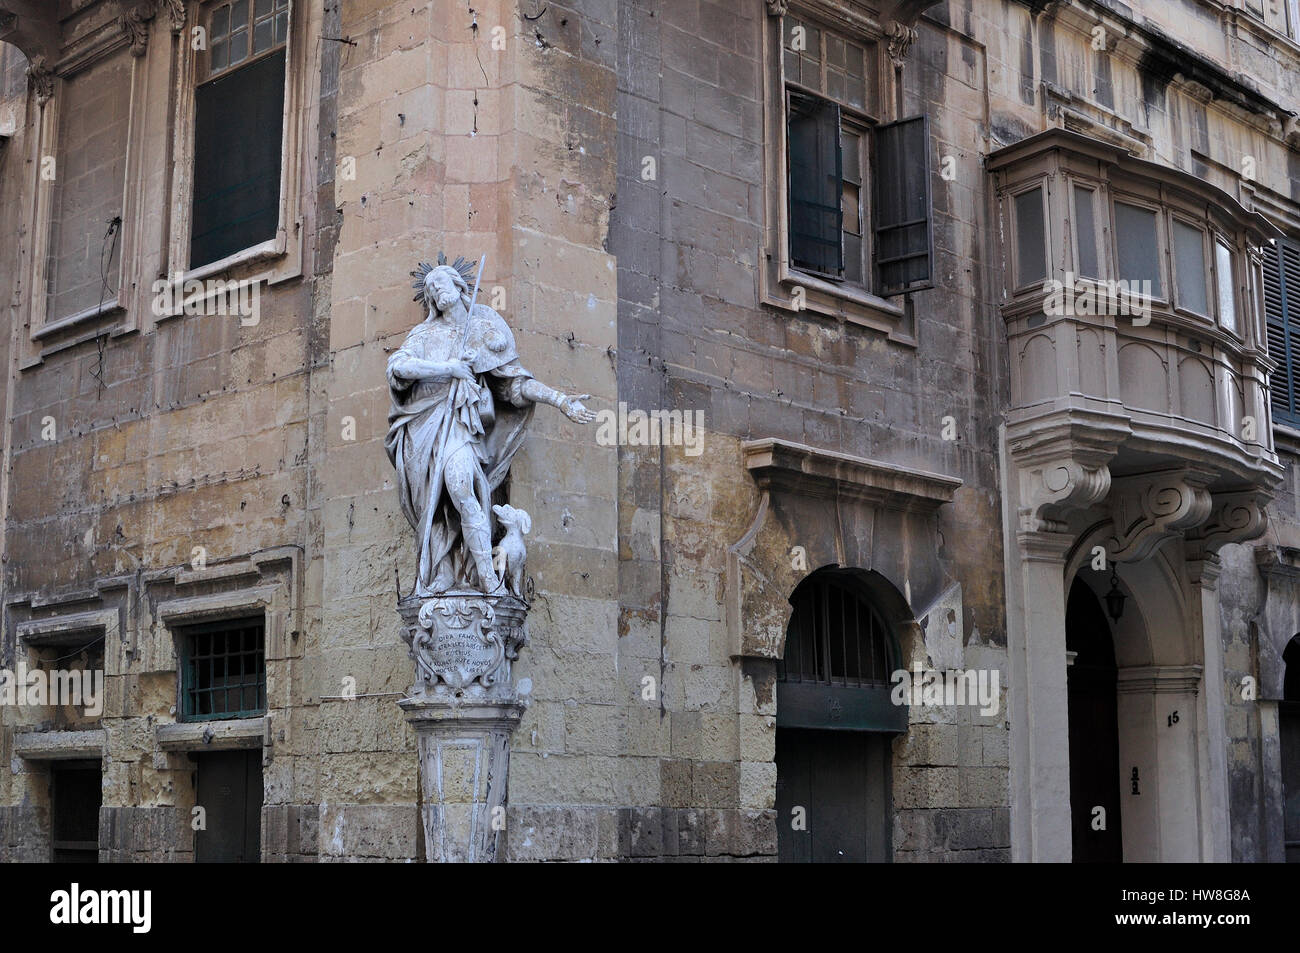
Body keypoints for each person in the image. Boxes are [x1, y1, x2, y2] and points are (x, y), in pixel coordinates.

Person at [386, 256, 595, 596]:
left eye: (441, 282)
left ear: (460, 286)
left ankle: (487, 578)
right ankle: (442, 571)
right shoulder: (423, 334)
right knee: (434, 507)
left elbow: (514, 386)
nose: (435, 290)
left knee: (461, 489)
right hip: (421, 433)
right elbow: (398, 369)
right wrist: (449, 369)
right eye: (429, 289)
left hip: (459, 430)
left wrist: (560, 400)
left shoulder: (483, 332)